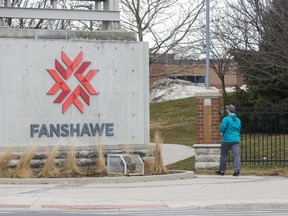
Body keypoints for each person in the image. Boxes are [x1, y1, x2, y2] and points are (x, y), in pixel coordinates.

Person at [215, 104, 241, 176]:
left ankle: (222, 171)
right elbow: (239, 129)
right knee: (236, 155)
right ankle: (237, 171)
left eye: (227, 109)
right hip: (236, 139)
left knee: (224, 154)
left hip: (226, 139)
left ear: (228, 110)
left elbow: (223, 127)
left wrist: (221, 132)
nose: (226, 110)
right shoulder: (238, 120)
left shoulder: (226, 119)